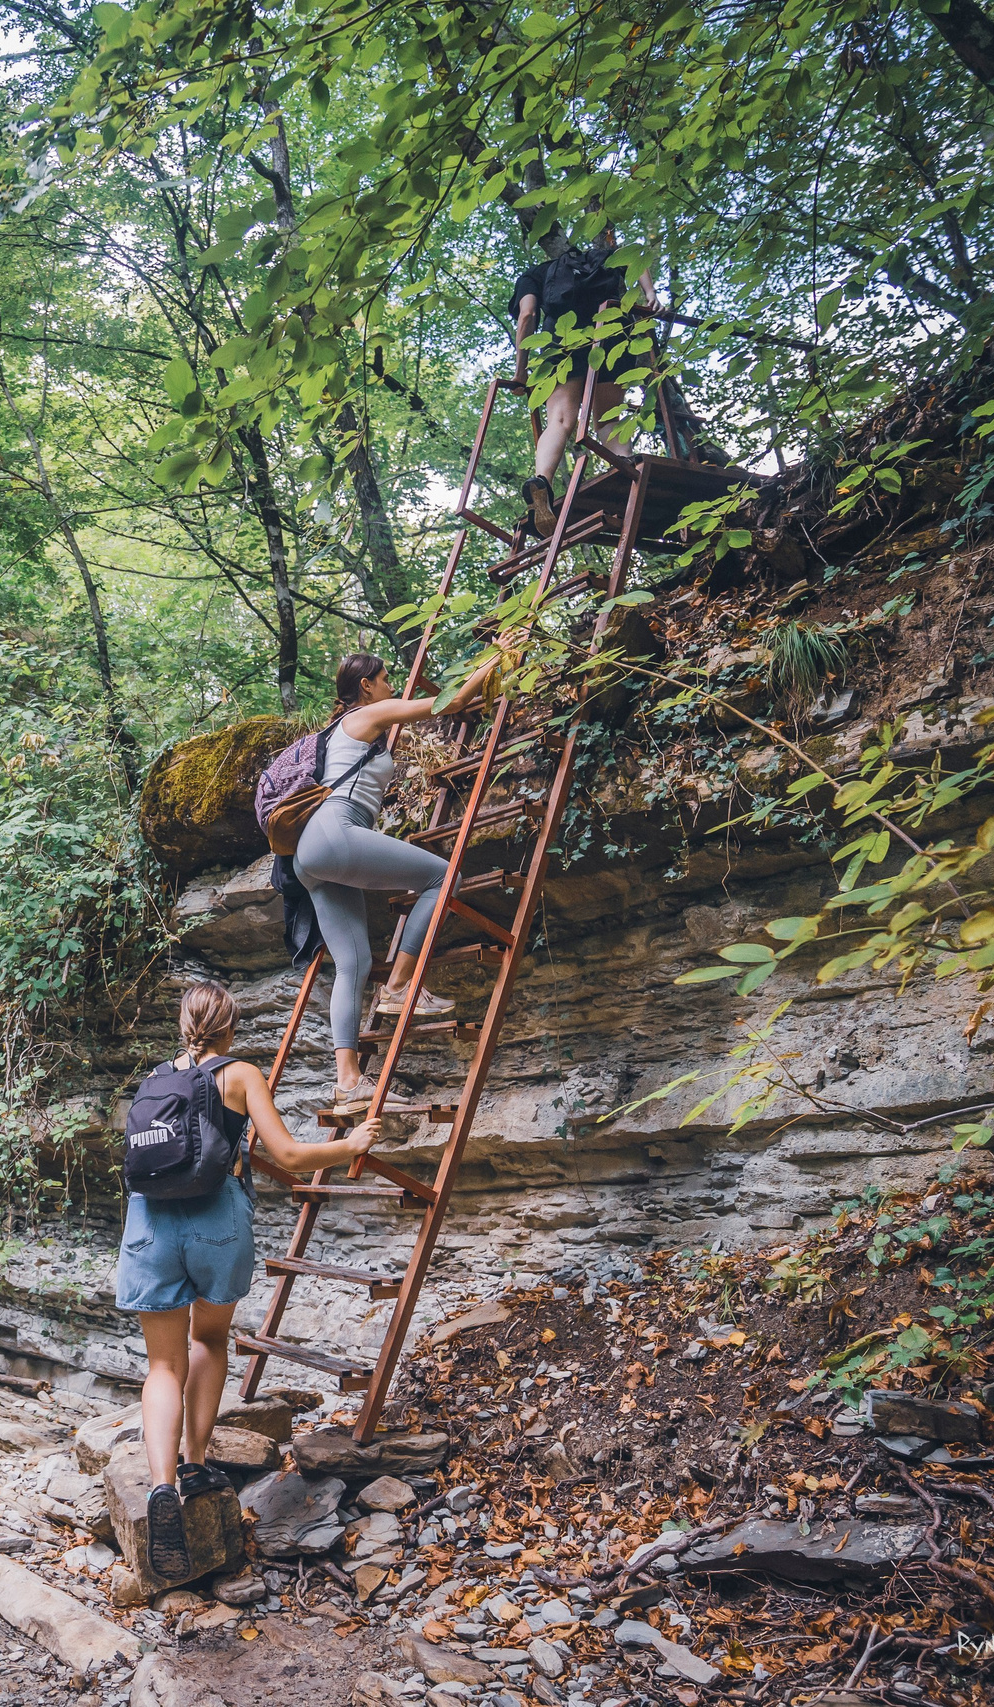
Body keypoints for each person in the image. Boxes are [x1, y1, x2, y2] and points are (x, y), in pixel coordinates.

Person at [119, 980, 383, 1582]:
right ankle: (194, 1464)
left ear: (185, 1024)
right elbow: (288, 1156)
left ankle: (161, 1488)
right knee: (209, 1340)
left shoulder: (155, 1080)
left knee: (162, 1366)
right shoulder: (238, 1075)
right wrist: (351, 1143)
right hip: (216, 1224)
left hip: (149, 1225)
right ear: (231, 1024)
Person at [296, 648, 505, 1113]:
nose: (393, 685)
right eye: (386, 678)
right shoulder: (371, 712)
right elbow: (448, 703)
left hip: (308, 853)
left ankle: (347, 1083)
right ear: (366, 685)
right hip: (337, 830)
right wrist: (495, 659)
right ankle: (400, 987)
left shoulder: (332, 731)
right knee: (442, 875)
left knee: (352, 964)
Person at [508, 229, 654, 538]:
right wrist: (650, 296)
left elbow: (527, 316)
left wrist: (521, 373)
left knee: (560, 420)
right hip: (611, 335)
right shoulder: (604, 260)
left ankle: (541, 482)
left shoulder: (535, 274)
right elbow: (638, 257)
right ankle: (626, 469)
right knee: (607, 419)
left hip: (563, 343)